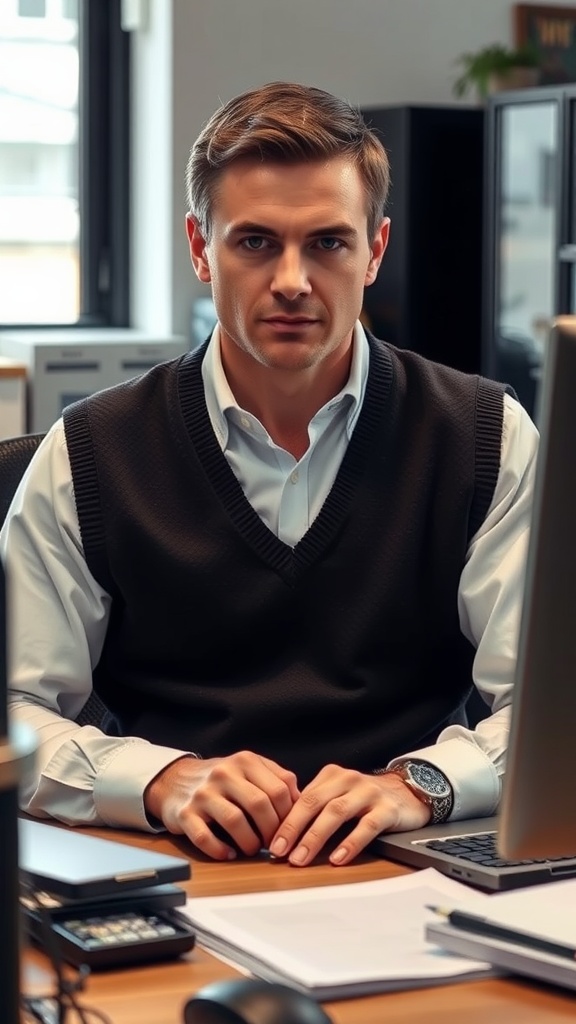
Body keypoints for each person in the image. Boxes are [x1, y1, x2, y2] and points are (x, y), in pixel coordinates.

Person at [1, 81, 538, 869]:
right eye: (255, 242)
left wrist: (418, 784)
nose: (292, 280)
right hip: (175, 874)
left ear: (376, 250)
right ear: (199, 248)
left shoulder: (485, 436)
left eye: (328, 243)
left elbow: (545, 713)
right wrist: (160, 779)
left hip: (406, 873)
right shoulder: (91, 449)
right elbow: (14, 713)